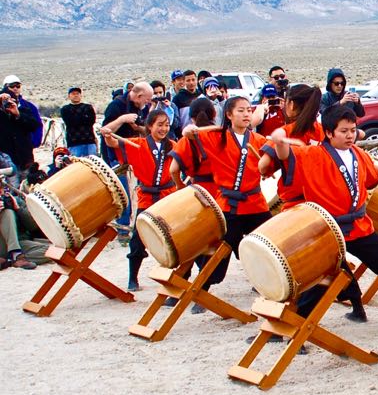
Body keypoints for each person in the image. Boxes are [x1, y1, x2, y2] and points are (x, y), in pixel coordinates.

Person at [268, 105, 378, 325]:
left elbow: (372, 169)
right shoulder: (312, 154)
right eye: (344, 131)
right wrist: (280, 143)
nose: (350, 135)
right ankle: (290, 327)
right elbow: (287, 156)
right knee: (319, 280)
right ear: (329, 132)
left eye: (353, 130)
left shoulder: (357, 153)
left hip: (359, 226)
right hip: (327, 230)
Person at [177, 96, 273, 293]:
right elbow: (188, 134)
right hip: (228, 205)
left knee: (271, 244)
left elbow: (275, 157)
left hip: (255, 204)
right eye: (241, 110)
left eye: (249, 110)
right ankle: (200, 290)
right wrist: (191, 130)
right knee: (219, 253)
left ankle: (269, 286)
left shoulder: (259, 140)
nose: (246, 114)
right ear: (228, 115)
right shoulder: (216, 137)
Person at [101, 109, 177, 291]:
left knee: (175, 237)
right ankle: (133, 278)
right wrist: (111, 131)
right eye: (160, 125)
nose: (164, 129)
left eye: (167, 125)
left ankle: (178, 276)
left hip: (168, 196)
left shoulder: (173, 145)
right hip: (147, 197)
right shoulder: (137, 144)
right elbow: (111, 140)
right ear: (149, 126)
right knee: (138, 239)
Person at [100, 81, 154, 238]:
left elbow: (146, 129)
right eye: (146, 99)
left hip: (135, 152)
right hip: (115, 155)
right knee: (123, 192)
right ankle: (123, 230)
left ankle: (141, 226)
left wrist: (139, 128)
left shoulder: (141, 108)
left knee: (140, 191)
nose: (147, 103)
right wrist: (122, 119)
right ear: (139, 95)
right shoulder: (116, 106)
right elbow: (105, 130)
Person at [259, 84, 324, 211]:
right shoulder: (324, 131)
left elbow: (263, 166)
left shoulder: (285, 132)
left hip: (296, 205)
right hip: (323, 200)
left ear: (292, 105)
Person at [0, 77, 42, 172]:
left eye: (18, 86)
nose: (15, 88)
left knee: (27, 179)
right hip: (5, 159)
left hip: (24, 158)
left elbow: (35, 125)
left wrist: (18, 114)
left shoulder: (27, 107)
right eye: (12, 86)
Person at [61, 87, 98, 158]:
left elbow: (91, 121)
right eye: (73, 94)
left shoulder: (88, 107)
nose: (76, 95)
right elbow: (70, 123)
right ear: (69, 96)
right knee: (76, 162)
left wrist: (77, 118)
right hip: (74, 142)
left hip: (89, 141)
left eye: (77, 93)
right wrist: (84, 117)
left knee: (92, 162)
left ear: (81, 95)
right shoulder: (65, 109)